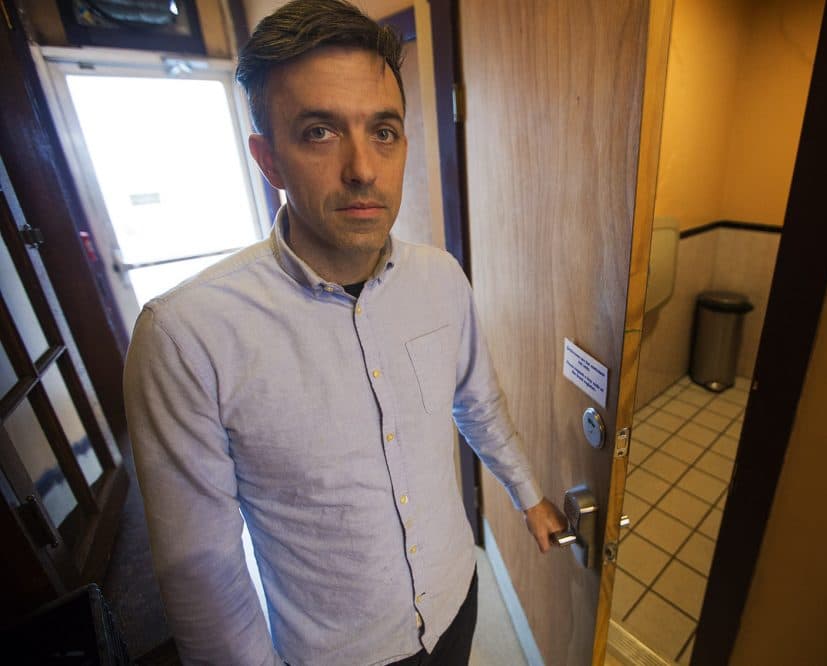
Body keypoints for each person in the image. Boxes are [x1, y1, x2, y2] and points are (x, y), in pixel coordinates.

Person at [122, 1, 566, 664]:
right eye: (320, 133)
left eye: (383, 131)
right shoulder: (187, 336)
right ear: (268, 159)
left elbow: (477, 401)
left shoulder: (441, 279)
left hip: (455, 600)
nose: (363, 168)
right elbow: (204, 571)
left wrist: (527, 495)